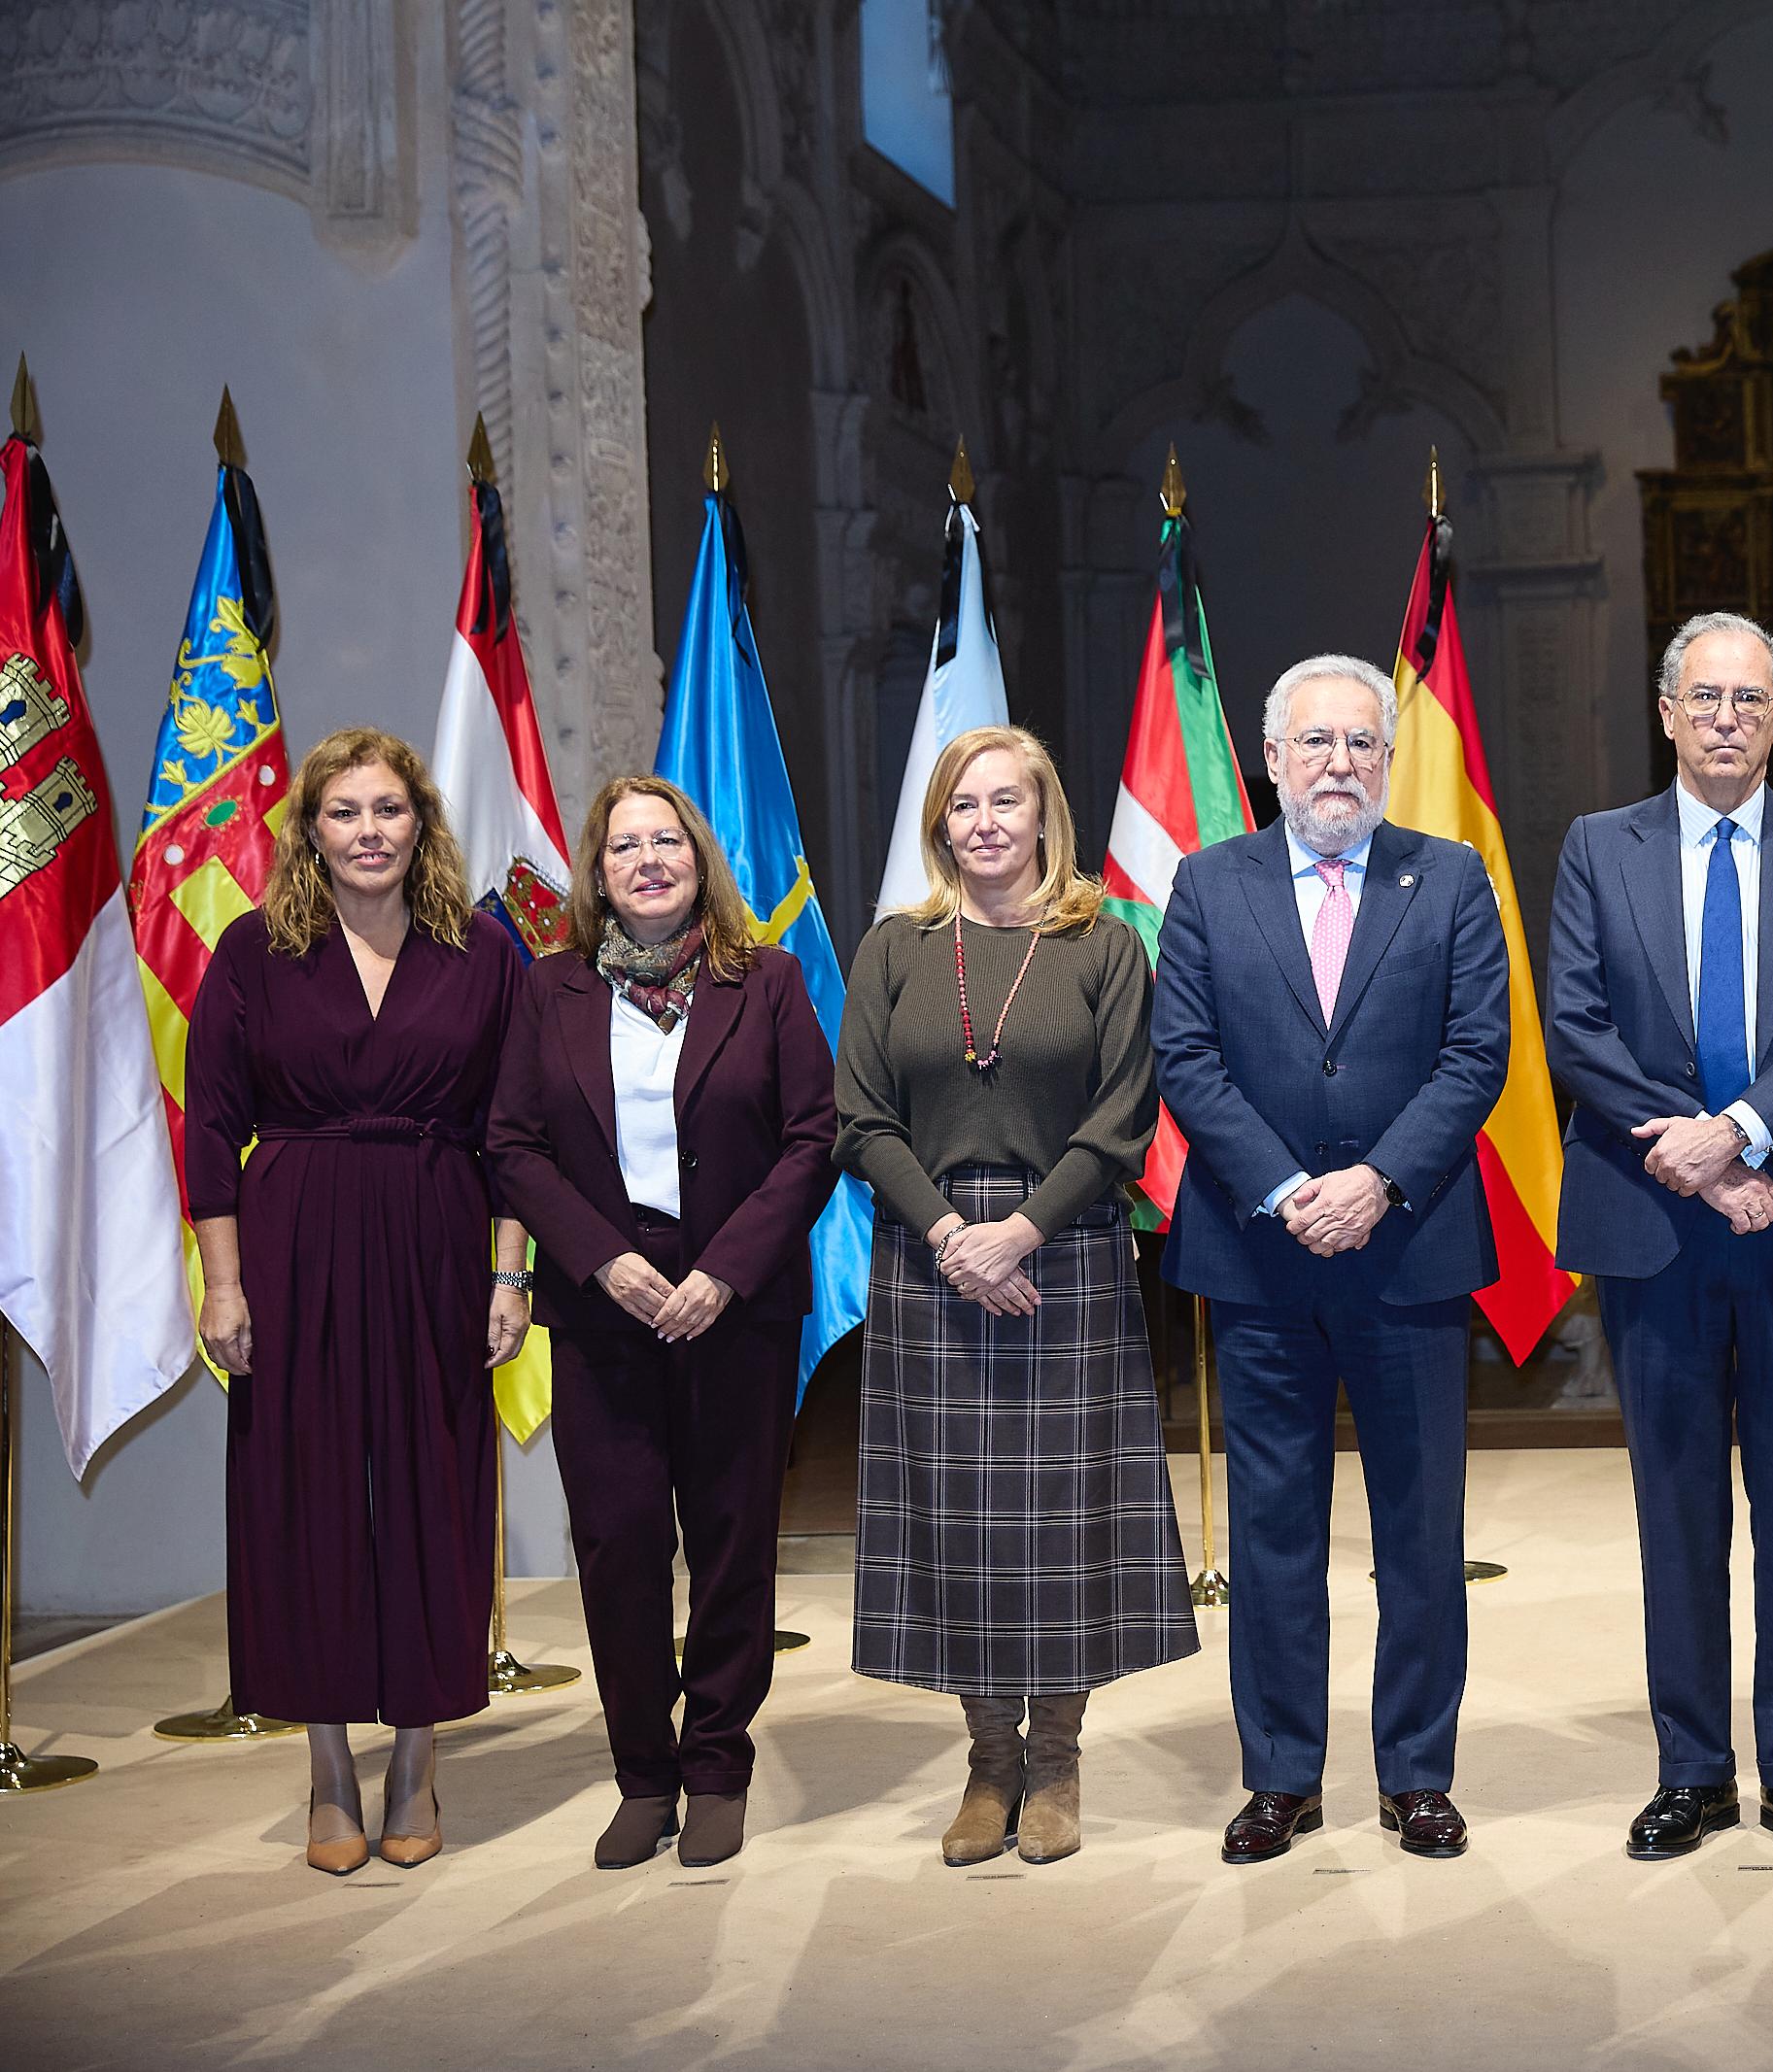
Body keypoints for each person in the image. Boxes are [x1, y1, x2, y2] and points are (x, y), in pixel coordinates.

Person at [1546, 611, 1773, 1864]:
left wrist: (1743, 1134)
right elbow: (1575, 1029)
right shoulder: (1599, 847)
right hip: (1658, 1225)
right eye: (1703, 699)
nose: (1724, 721)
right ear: (1664, 712)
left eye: (1749, 702)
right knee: (1676, 1506)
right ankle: (1691, 1769)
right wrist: (1694, 1164)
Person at [1150, 655, 1511, 1866]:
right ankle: (1281, 1776)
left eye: (1360, 744)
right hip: (1260, 1256)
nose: (1338, 765)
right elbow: (1185, 1058)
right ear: (1271, 760)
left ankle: (1416, 1773)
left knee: (1419, 1531)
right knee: (1272, 1530)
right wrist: (1287, 1187)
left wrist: (1376, 1182)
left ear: (1386, 762)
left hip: (1406, 1246)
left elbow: (1476, 1056)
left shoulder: (1450, 878)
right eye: (1314, 744)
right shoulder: (1207, 882)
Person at [835, 723, 1195, 1868]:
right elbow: (860, 1117)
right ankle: (990, 1761)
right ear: (938, 824)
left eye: (1007, 801)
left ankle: (1059, 1757)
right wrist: (953, 1235)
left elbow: (1124, 1118)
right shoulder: (896, 946)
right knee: (957, 1523)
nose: (985, 823)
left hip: (1066, 1246)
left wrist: (1022, 1232)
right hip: (929, 1249)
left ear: (1045, 815)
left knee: (1061, 1518)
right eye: (962, 806)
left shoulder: (1103, 947)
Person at [186, 728, 530, 1876]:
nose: (369, 832)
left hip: (437, 1239)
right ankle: (329, 1767)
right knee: (307, 1493)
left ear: (421, 826)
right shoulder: (249, 950)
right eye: (345, 812)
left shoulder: (483, 952)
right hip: (292, 1245)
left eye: (390, 810)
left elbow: (514, 1133)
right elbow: (209, 1129)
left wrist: (507, 1272)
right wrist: (223, 1282)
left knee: (434, 1488)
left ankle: (416, 1759)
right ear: (311, 832)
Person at [488, 775, 839, 1870]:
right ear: (597, 872)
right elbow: (510, 1146)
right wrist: (602, 1263)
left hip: (734, 1305)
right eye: (624, 845)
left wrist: (726, 1272)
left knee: (733, 1541)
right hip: (605, 1306)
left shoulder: (767, 981)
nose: (647, 860)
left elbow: (811, 1137)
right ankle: (643, 1773)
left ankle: (717, 1762)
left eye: (667, 842)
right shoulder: (546, 990)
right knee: (620, 1547)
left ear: (698, 860)